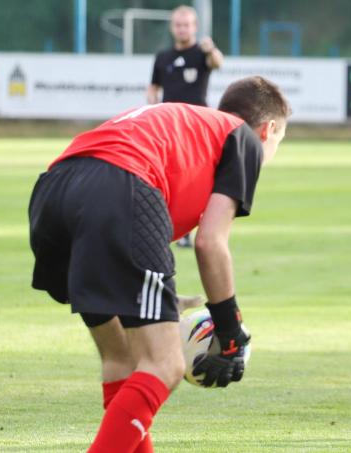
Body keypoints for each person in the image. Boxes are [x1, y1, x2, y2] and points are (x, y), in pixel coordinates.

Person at [29, 76, 289, 452]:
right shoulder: (243, 137)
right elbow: (209, 242)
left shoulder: (189, 126)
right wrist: (232, 331)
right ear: (270, 130)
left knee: (123, 360)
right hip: (120, 187)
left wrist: (164, 297)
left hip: (53, 194)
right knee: (164, 365)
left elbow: (128, 242)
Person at [147, 4, 225, 247]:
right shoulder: (163, 57)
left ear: (195, 27)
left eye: (187, 25)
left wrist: (211, 49)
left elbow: (217, 62)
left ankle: (199, 227)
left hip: (198, 125)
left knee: (199, 177)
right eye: (179, 25)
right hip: (169, 126)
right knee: (170, 177)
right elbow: (153, 86)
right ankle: (177, 229)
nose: (183, 29)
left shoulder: (202, 53)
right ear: (173, 27)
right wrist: (152, 106)